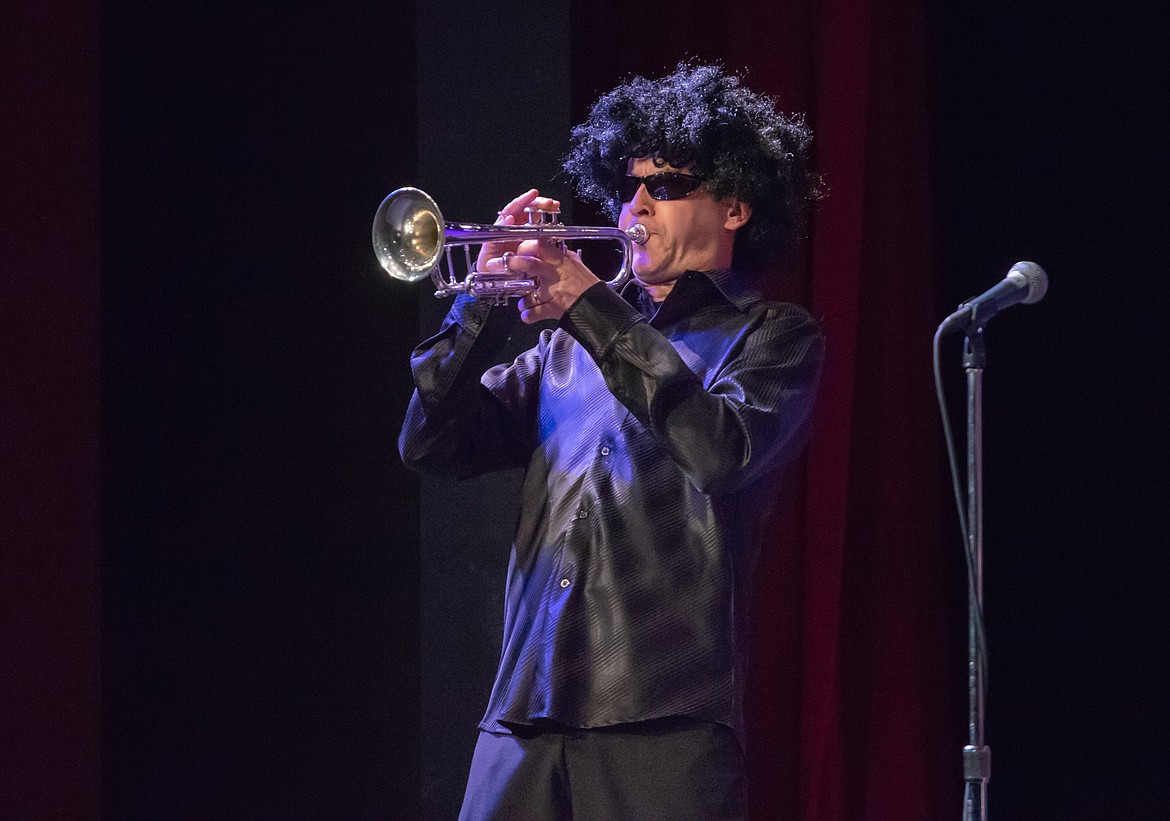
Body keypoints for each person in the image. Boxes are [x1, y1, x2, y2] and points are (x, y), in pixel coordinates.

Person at [399, 62, 824, 821]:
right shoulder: (568, 351)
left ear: (734, 204)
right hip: (522, 716)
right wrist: (472, 307)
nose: (635, 208)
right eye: (629, 187)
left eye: (664, 186)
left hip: (662, 724)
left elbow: (721, 449)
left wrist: (592, 308)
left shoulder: (771, 337)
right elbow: (431, 443)